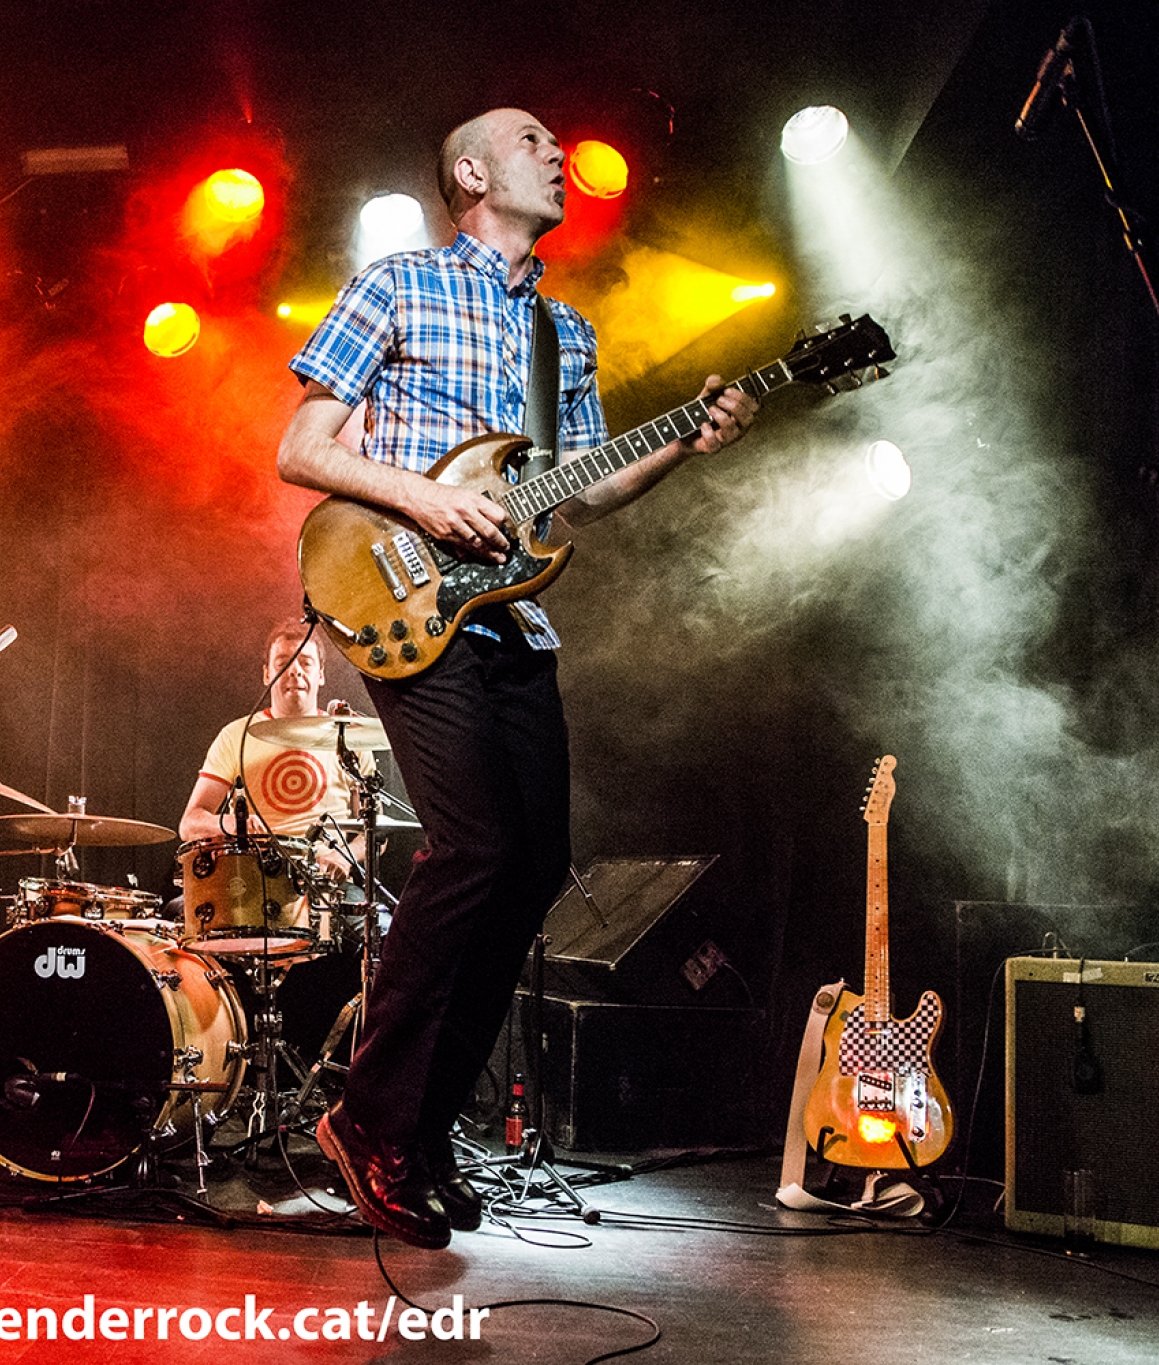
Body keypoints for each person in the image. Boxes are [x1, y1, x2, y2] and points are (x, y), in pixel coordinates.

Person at [278, 109, 757, 1248]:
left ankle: (418, 1129)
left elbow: (581, 490)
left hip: (510, 620)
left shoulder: (560, 331)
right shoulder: (398, 284)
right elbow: (302, 448)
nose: (555, 153)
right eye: (531, 139)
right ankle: (367, 1114)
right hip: (403, 597)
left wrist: (686, 439)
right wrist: (425, 497)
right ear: (472, 172)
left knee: (534, 866)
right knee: (475, 847)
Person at [177, 618, 372, 880]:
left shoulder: (350, 739)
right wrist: (233, 824)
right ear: (267, 674)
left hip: (325, 881)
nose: (295, 671)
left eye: (305, 662)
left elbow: (375, 832)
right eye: (283, 663)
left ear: (321, 674)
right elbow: (189, 823)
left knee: (375, 911)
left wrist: (343, 857)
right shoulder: (235, 736)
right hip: (252, 878)